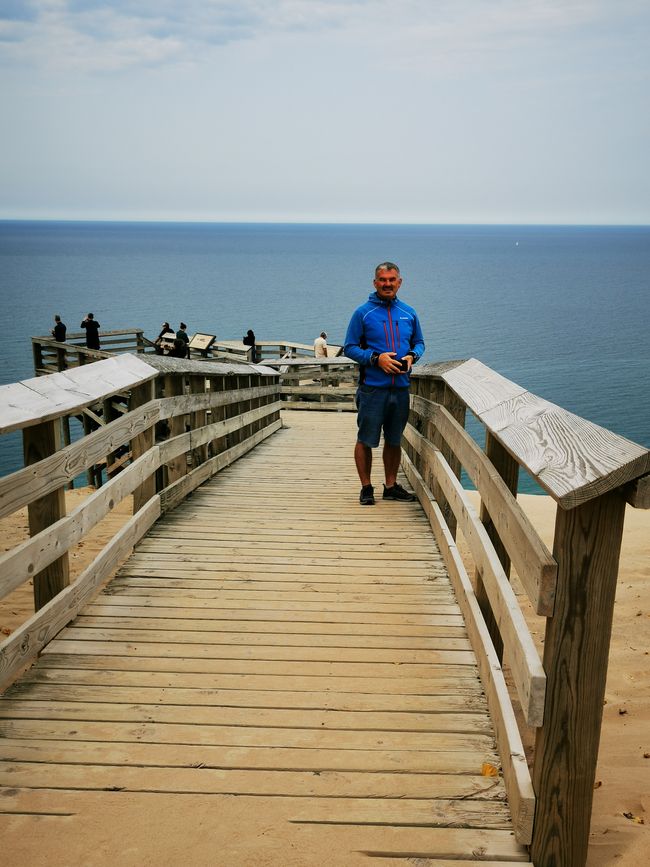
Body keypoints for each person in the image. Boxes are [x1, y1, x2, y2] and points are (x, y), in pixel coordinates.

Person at [344, 261, 425, 506]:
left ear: (399, 282)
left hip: (400, 388)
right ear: (375, 282)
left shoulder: (409, 312)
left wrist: (413, 355)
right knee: (366, 439)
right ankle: (366, 487)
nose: (387, 284)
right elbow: (349, 347)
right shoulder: (363, 313)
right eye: (383, 280)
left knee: (394, 440)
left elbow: (419, 342)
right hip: (372, 389)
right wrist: (376, 359)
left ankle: (390, 486)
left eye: (392, 280)